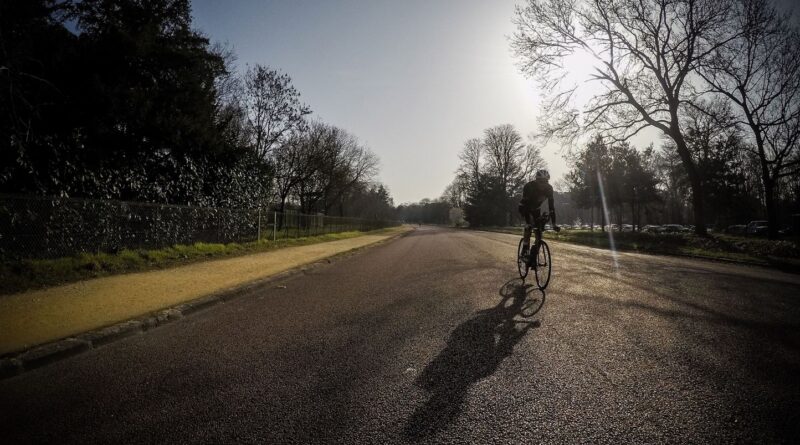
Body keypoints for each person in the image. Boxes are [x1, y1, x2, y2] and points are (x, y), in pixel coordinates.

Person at [518, 169, 560, 262]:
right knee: (528, 228)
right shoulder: (529, 187)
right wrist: (528, 223)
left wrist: (554, 224)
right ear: (536, 180)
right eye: (541, 182)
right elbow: (526, 205)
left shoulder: (549, 188)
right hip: (525, 208)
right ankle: (525, 249)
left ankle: (533, 253)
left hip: (536, 209)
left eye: (545, 182)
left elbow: (551, 207)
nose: (543, 184)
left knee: (539, 233)